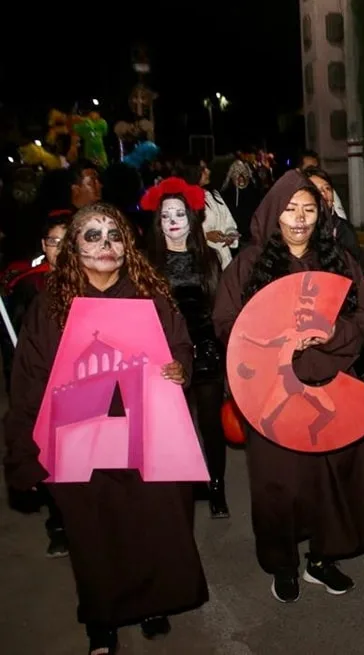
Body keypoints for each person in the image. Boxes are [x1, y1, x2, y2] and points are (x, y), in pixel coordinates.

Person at [3, 202, 208, 655]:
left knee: (152, 524)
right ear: (74, 247)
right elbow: (29, 379)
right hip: (80, 436)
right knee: (96, 534)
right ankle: (103, 619)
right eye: (91, 236)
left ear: (127, 245)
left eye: (113, 235)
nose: (104, 245)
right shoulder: (50, 305)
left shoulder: (150, 294)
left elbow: (179, 345)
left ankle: (153, 602)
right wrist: (22, 449)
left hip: (146, 432)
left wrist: (180, 367)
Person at [213, 170, 364, 603]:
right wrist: (276, 335)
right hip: (272, 395)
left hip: (331, 385)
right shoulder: (249, 265)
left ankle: (323, 559)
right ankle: (284, 564)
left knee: (333, 480)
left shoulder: (339, 260)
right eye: (290, 209)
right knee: (280, 486)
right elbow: (226, 326)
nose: (300, 218)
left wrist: (333, 334)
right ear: (274, 212)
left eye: (309, 209)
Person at [144, 177, 230, 517]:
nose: (173, 220)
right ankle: (184, 483)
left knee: (211, 424)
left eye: (179, 213)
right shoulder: (148, 262)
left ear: (192, 218)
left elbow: (220, 307)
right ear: (158, 221)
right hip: (165, 353)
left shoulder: (209, 258)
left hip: (206, 351)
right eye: (166, 215)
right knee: (174, 424)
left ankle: (216, 488)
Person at [2, 213, 70, 558]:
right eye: (53, 242)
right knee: (49, 456)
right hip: (43, 384)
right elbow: (17, 344)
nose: (59, 249)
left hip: (79, 388)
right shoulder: (33, 286)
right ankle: (58, 523)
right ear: (44, 246)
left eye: (66, 241)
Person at [180, 157, 240, 269]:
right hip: (202, 263)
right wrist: (206, 236)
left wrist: (230, 235)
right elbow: (181, 233)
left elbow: (229, 220)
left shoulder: (213, 194)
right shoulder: (183, 200)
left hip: (224, 261)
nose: (208, 171)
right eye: (203, 169)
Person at [302, 165, 364, 268]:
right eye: (316, 189)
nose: (323, 193)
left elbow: (357, 269)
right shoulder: (297, 228)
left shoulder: (343, 228)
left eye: (327, 188)